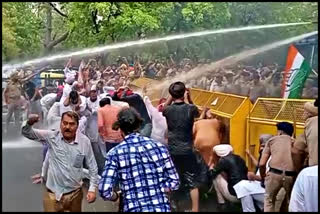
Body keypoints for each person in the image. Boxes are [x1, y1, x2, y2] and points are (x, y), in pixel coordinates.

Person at [98, 107, 180, 212]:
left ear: (120, 129)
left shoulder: (115, 154)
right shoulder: (159, 147)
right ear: (138, 126)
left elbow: (104, 190)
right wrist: (157, 189)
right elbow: (174, 181)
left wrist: (116, 197)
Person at [21, 111, 99, 212]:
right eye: (65, 123)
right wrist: (29, 122)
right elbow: (27, 132)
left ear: (77, 125)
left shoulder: (84, 142)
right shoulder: (52, 136)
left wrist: (92, 189)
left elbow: (92, 166)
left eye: (71, 124)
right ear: (60, 123)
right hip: (53, 195)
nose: (67, 127)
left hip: (75, 194)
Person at [162, 81, 200, 212]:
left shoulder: (168, 110)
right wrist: (190, 98)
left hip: (172, 149)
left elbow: (163, 108)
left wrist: (171, 96)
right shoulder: (191, 109)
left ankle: (174, 204)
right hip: (188, 149)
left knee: (173, 176)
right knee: (191, 180)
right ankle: (195, 209)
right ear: (184, 93)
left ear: (171, 95)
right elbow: (198, 113)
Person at [259, 122, 296, 212]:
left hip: (274, 174)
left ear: (280, 132)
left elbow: (262, 164)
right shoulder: (295, 142)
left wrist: (263, 176)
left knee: (269, 201)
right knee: (289, 202)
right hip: (290, 176)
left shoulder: (272, 141)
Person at [208, 144, 246, 211]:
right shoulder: (239, 158)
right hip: (245, 194)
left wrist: (210, 164)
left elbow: (210, 175)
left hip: (234, 196)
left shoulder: (223, 161)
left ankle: (222, 203)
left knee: (216, 177)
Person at [292, 99, 318, 171]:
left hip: (314, 170)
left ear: (310, 114)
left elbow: (296, 151)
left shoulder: (311, 123)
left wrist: (298, 171)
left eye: (305, 111)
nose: (303, 114)